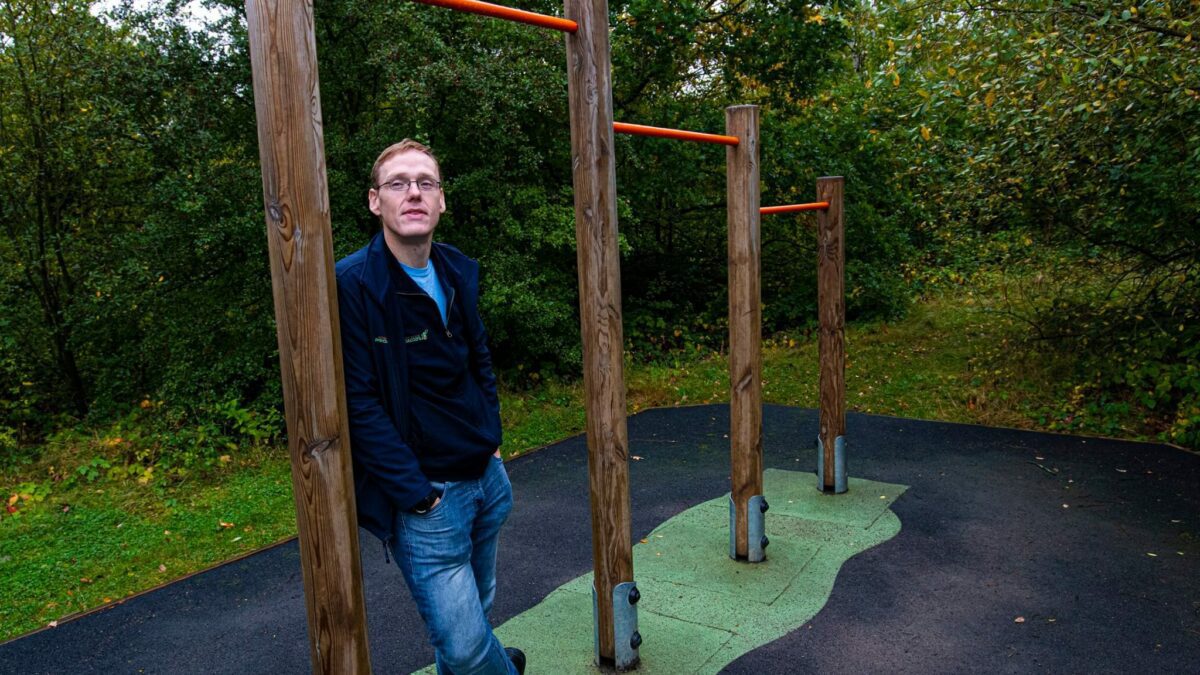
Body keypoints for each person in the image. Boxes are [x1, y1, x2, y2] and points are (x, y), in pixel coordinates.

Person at [335, 139, 524, 675]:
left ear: (442, 200)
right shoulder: (354, 285)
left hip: (486, 479)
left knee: (473, 619)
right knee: (465, 645)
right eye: (398, 183)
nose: (413, 192)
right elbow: (358, 402)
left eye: (426, 183)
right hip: (429, 501)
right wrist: (416, 496)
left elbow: (478, 356)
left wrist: (491, 434)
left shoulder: (455, 270)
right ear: (376, 202)